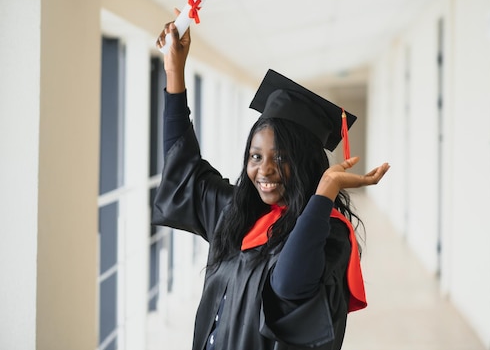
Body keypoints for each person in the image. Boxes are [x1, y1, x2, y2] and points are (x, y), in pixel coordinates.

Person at [153, 18, 390, 350]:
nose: (265, 170)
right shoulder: (236, 212)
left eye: (281, 158)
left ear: (306, 161)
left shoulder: (329, 233)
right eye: (255, 156)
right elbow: (185, 167)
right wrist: (174, 72)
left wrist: (325, 192)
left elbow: (289, 288)